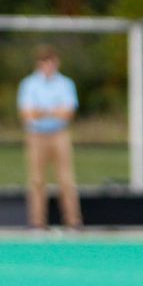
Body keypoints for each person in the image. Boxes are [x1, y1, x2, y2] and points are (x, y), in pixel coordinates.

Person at [17, 45, 82, 230]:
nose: (47, 65)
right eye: (43, 62)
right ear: (38, 64)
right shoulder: (28, 84)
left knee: (66, 179)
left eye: (50, 61)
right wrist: (53, 111)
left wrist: (42, 111)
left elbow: (68, 112)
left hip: (59, 134)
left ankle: (73, 221)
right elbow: (27, 113)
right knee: (36, 180)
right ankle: (37, 222)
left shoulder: (65, 83)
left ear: (56, 62)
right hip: (36, 135)